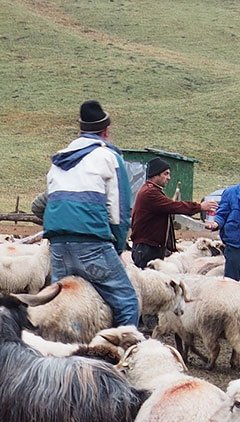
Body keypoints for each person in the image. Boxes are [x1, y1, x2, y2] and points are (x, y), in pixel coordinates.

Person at [43, 100, 139, 327]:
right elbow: (119, 211)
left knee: (64, 303)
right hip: (92, 243)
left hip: (57, 245)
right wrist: (117, 247)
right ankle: (122, 347)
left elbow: (48, 201)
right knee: (127, 302)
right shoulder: (108, 157)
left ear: (81, 130)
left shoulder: (58, 161)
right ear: (106, 131)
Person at [129, 157, 217, 268]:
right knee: (147, 277)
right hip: (147, 249)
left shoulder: (152, 190)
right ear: (155, 174)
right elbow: (173, 206)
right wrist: (200, 207)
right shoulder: (150, 193)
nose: (169, 178)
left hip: (150, 246)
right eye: (165, 174)